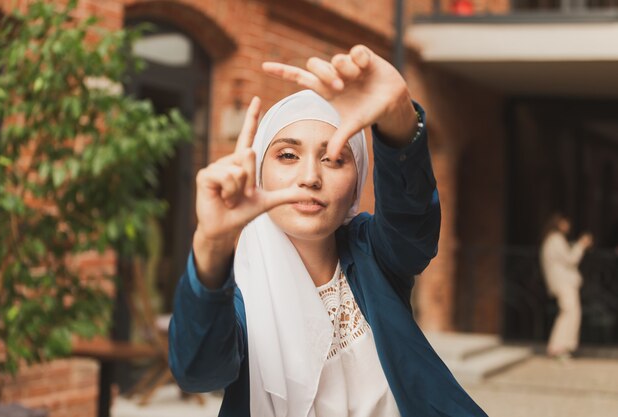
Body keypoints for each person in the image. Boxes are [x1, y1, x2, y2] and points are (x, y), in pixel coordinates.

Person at [168, 45, 487, 417]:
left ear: (357, 183)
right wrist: (213, 242)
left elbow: (412, 225)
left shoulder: (374, 253)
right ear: (259, 173)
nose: (309, 178)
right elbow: (197, 373)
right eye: (288, 155)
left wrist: (398, 115)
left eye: (334, 159)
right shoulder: (238, 293)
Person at [540, 213, 593, 360]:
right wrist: (581, 245)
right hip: (564, 282)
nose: (568, 226)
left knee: (570, 312)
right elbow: (570, 259)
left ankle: (560, 346)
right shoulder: (555, 239)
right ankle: (558, 347)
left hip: (562, 282)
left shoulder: (552, 239)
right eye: (565, 222)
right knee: (570, 312)